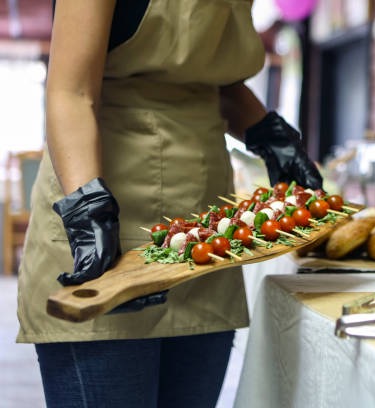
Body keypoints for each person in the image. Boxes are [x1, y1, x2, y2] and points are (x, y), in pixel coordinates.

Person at [16, 1, 323, 407]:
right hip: (101, 208)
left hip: (203, 228)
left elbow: (209, 78)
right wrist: (87, 212)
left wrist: (271, 137)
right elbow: (71, 92)